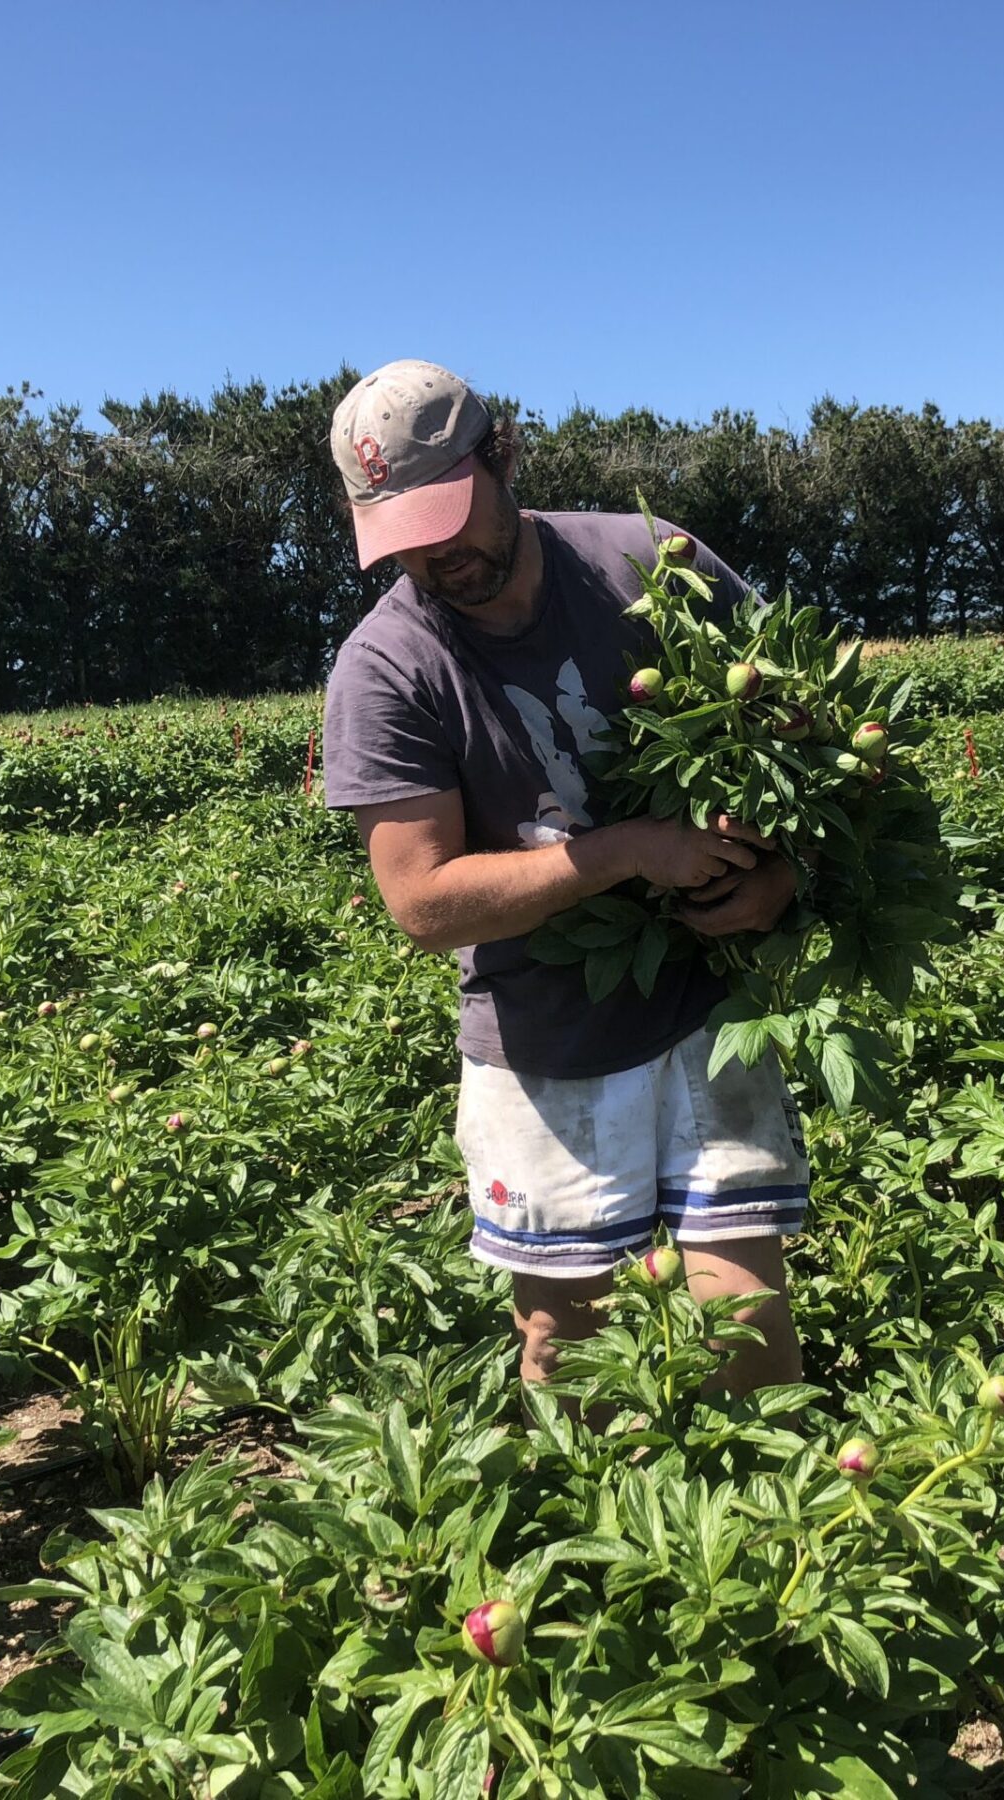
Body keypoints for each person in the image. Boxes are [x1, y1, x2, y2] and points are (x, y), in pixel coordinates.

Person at [320, 359, 806, 1395]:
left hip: (705, 1007)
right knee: (568, 1347)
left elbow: (800, 736)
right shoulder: (386, 669)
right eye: (404, 539)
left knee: (748, 1326)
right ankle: (593, 1547)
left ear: (503, 455)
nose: (438, 555)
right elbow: (422, 902)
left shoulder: (650, 562)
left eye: (451, 516)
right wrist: (627, 849)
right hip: (546, 1043)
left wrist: (782, 878)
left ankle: (774, 1535)